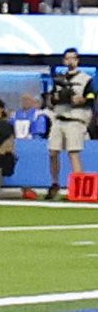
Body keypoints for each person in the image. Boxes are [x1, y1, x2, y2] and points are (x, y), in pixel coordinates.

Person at [47, 47, 93, 199]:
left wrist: (81, 100)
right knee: (53, 152)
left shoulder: (85, 79)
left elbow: (91, 97)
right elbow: (50, 100)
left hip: (75, 118)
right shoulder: (59, 79)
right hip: (59, 117)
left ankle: (78, 188)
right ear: (64, 61)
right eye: (67, 58)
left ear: (77, 60)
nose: (70, 61)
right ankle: (54, 184)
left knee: (73, 153)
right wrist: (56, 98)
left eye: (73, 58)